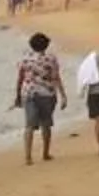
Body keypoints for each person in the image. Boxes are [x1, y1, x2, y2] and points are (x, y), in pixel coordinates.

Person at [15, 31, 63, 164]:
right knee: (46, 124)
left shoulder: (25, 59)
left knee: (29, 126)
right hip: (47, 94)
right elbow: (56, 77)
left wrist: (17, 95)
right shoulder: (51, 59)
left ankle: (28, 156)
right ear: (46, 45)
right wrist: (63, 95)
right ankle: (45, 153)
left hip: (29, 93)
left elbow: (20, 78)